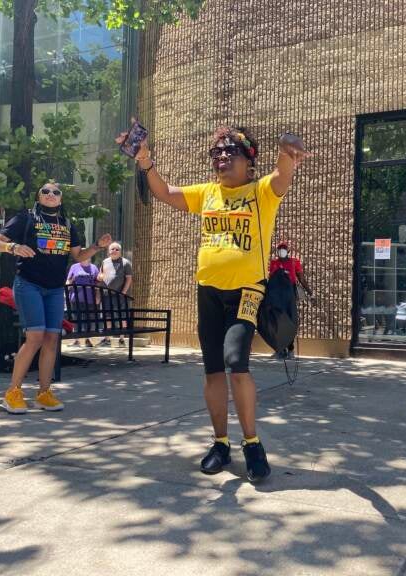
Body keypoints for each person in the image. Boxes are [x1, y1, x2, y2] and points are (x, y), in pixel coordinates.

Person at [120, 125, 309, 483]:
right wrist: (144, 160)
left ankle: (252, 444)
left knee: (236, 362)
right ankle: (220, 444)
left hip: (247, 290)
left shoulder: (261, 192)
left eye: (230, 152)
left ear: (249, 162)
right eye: (217, 153)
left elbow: (283, 175)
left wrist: (287, 151)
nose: (222, 158)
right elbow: (165, 192)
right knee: (211, 370)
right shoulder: (207, 193)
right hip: (207, 290)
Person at [0, 182, 112, 414]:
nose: (51, 194)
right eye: (46, 191)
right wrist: (13, 247)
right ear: (39, 197)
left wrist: (97, 246)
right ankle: (13, 392)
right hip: (29, 284)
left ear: (61, 199)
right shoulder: (26, 218)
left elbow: (78, 256)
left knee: (52, 340)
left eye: (56, 192)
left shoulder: (66, 224)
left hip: (55, 289)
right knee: (34, 337)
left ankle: (44, 393)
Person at [268, 240, 312, 359]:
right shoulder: (274, 263)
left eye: (284, 249)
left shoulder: (294, 262)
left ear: (288, 251)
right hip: (277, 295)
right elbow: (270, 279)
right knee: (277, 322)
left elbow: (301, 278)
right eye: (280, 249)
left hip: (289, 295)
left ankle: (290, 349)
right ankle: (279, 349)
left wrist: (309, 291)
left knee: (290, 321)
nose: (281, 251)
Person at [97, 242, 132, 347]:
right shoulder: (104, 262)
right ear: (109, 251)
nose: (114, 251)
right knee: (107, 316)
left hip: (119, 295)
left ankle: (122, 339)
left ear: (120, 252)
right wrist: (99, 277)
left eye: (117, 249)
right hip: (106, 294)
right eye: (112, 249)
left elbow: (129, 279)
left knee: (122, 316)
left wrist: (124, 292)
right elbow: (100, 275)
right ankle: (107, 339)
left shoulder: (125, 263)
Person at [66, 258, 100, 347]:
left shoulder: (94, 268)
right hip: (75, 298)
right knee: (76, 319)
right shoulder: (74, 267)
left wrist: (97, 296)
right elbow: (69, 281)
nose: (85, 257)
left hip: (90, 299)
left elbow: (97, 283)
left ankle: (87, 339)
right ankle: (76, 340)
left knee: (88, 319)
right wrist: (67, 289)